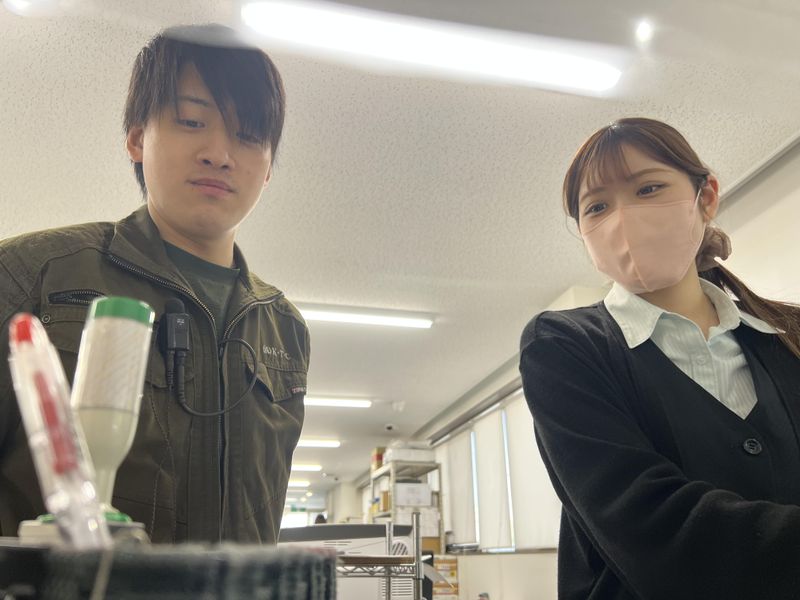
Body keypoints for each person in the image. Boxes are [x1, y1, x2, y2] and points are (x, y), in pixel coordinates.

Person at [0, 24, 309, 544]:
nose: (219, 153)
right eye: (191, 120)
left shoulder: (283, 328)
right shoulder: (31, 275)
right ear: (138, 137)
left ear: (269, 168)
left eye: (249, 135)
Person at [519, 117, 800, 599]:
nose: (623, 218)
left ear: (706, 197)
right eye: (597, 206)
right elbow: (651, 528)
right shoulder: (563, 346)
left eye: (648, 188)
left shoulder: (787, 335)